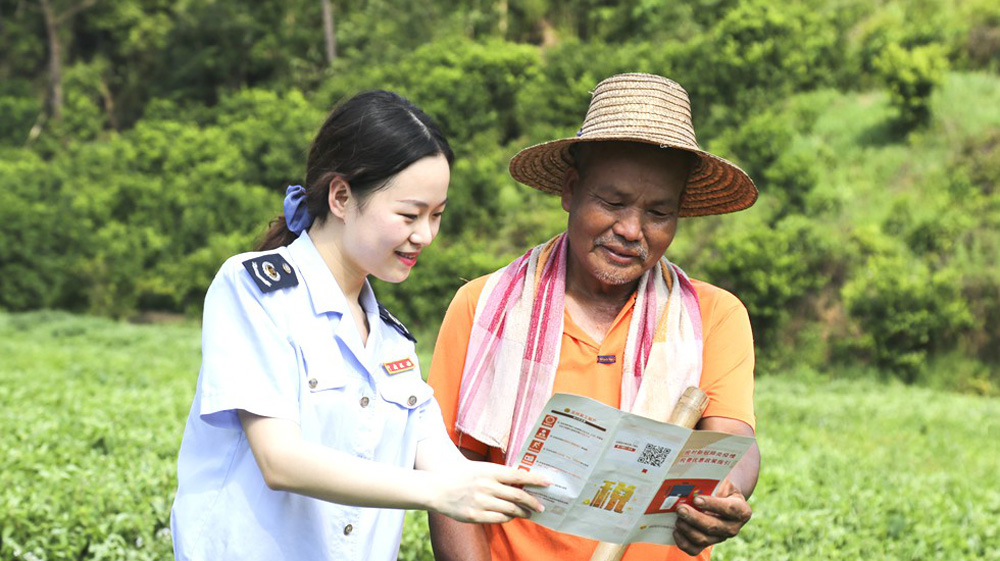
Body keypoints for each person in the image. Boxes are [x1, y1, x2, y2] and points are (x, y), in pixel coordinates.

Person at [170, 90, 548, 561]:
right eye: (409, 215)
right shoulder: (255, 291)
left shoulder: (392, 342)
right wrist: (434, 493)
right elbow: (279, 460)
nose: (425, 235)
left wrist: (546, 488)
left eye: (436, 216)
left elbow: (448, 468)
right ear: (342, 196)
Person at [426, 73, 761, 561]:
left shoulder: (713, 315)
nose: (631, 230)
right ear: (571, 191)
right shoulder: (485, 307)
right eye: (613, 201)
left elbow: (734, 441)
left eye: (659, 212)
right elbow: (451, 473)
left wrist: (726, 493)